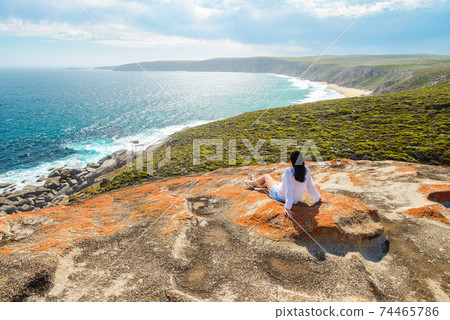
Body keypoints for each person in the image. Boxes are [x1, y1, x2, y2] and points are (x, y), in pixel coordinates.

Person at [244, 151, 327, 219]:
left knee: (266, 176)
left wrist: (287, 207)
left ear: (290, 162)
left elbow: (289, 190)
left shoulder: (288, 171)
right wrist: (318, 198)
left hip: (278, 195)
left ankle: (249, 183)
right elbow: (310, 186)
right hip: (295, 200)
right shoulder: (306, 170)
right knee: (273, 183)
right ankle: (257, 184)